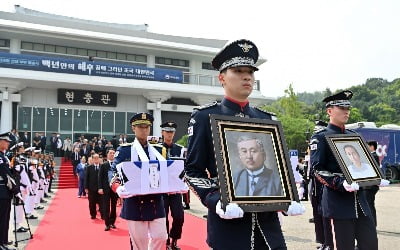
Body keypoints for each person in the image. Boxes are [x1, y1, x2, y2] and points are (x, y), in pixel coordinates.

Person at [185, 39, 304, 250]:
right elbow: (193, 171)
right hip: (229, 228)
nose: (247, 76)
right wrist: (215, 200)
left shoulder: (267, 121)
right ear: (221, 78)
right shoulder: (204, 116)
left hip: (269, 230)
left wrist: (289, 197)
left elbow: (277, 170)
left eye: (250, 71)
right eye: (238, 71)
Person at [309, 90, 382, 250]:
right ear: (329, 111)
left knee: (370, 245)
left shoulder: (353, 135)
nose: (346, 111)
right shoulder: (320, 137)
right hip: (338, 203)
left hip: (361, 203)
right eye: (341, 108)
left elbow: (363, 163)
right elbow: (317, 169)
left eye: (347, 108)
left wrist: (375, 177)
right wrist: (340, 183)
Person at [109, 113, 167, 250]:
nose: (144, 130)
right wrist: (117, 187)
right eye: (140, 127)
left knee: (161, 237)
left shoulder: (158, 149)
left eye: (147, 127)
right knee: (139, 243)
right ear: (133, 128)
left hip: (155, 200)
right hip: (135, 201)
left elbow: (166, 170)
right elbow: (113, 171)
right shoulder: (125, 149)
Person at [157, 121, 185, 250]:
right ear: (162, 132)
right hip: (161, 190)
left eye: (172, 132)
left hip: (175, 190)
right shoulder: (155, 149)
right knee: (164, 218)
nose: (169, 134)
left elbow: (186, 168)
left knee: (179, 217)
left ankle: (175, 240)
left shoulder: (180, 149)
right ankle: (166, 241)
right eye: (167, 131)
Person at [0, 132, 18, 250]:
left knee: (5, 218)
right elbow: (6, 174)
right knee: (1, 218)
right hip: (2, 190)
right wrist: (15, 189)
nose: (8, 143)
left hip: (5, 191)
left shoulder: (4, 156)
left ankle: (3, 240)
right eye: (6, 141)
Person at [360, 141, 381, 226]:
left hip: (370, 185)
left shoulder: (373, 156)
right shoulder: (373, 155)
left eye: (367, 146)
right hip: (369, 185)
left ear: (372, 147)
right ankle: (372, 223)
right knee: (369, 204)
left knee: (369, 205)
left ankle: (372, 223)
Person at [98, 148, 118, 231]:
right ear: (107, 155)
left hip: (115, 188)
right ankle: (107, 224)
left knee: (114, 206)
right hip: (106, 188)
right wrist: (100, 188)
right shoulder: (104, 165)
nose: (112, 154)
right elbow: (100, 177)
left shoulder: (117, 164)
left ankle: (112, 222)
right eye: (111, 153)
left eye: (113, 153)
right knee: (106, 206)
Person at [84, 153, 103, 219]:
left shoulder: (102, 166)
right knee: (92, 203)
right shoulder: (89, 167)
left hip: (101, 188)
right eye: (95, 158)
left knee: (102, 202)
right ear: (92, 159)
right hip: (91, 188)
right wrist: (86, 187)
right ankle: (93, 215)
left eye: (97, 158)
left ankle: (103, 215)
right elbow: (86, 178)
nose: (96, 159)